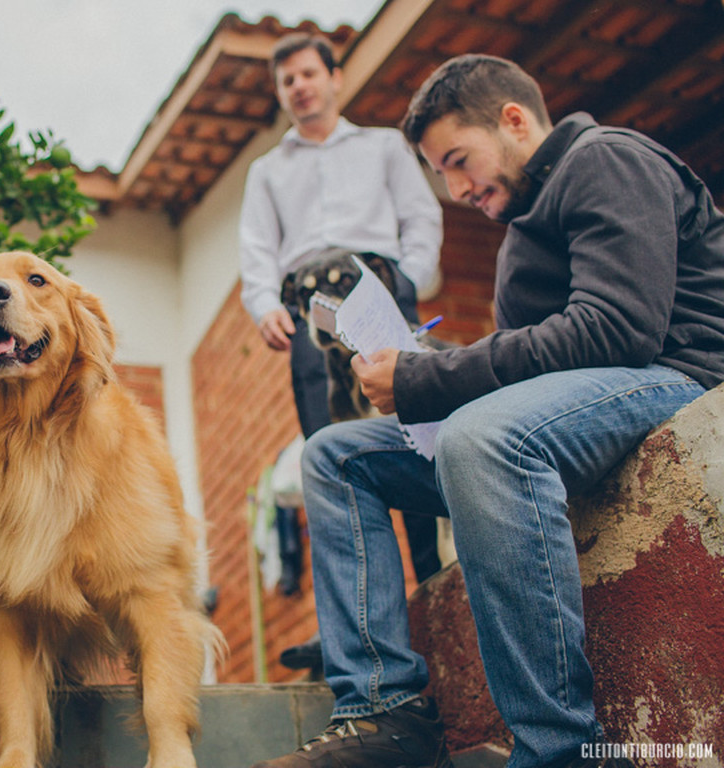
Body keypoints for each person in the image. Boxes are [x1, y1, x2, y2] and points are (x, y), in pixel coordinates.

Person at [250, 54, 724, 768]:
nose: (455, 188)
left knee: (480, 439)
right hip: (574, 413)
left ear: (513, 120)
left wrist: (428, 378)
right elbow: (535, 361)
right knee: (337, 455)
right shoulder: (523, 231)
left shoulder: (607, 161)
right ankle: (382, 712)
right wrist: (426, 380)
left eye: (458, 161)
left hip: (674, 376)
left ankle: (560, 748)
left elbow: (616, 330)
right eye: (442, 172)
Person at [238, 33, 444, 635]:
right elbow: (256, 252)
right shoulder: (266, 171)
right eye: (287, 81)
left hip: (380, 288)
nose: (299, 87)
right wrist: (261, 305)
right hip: (311, 308)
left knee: (412, 426)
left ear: (334, 77)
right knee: (331, 447)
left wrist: (411, 277)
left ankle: (433, 579)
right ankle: (363, 622)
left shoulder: (383, 147)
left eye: (307, 74)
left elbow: (421, 216)